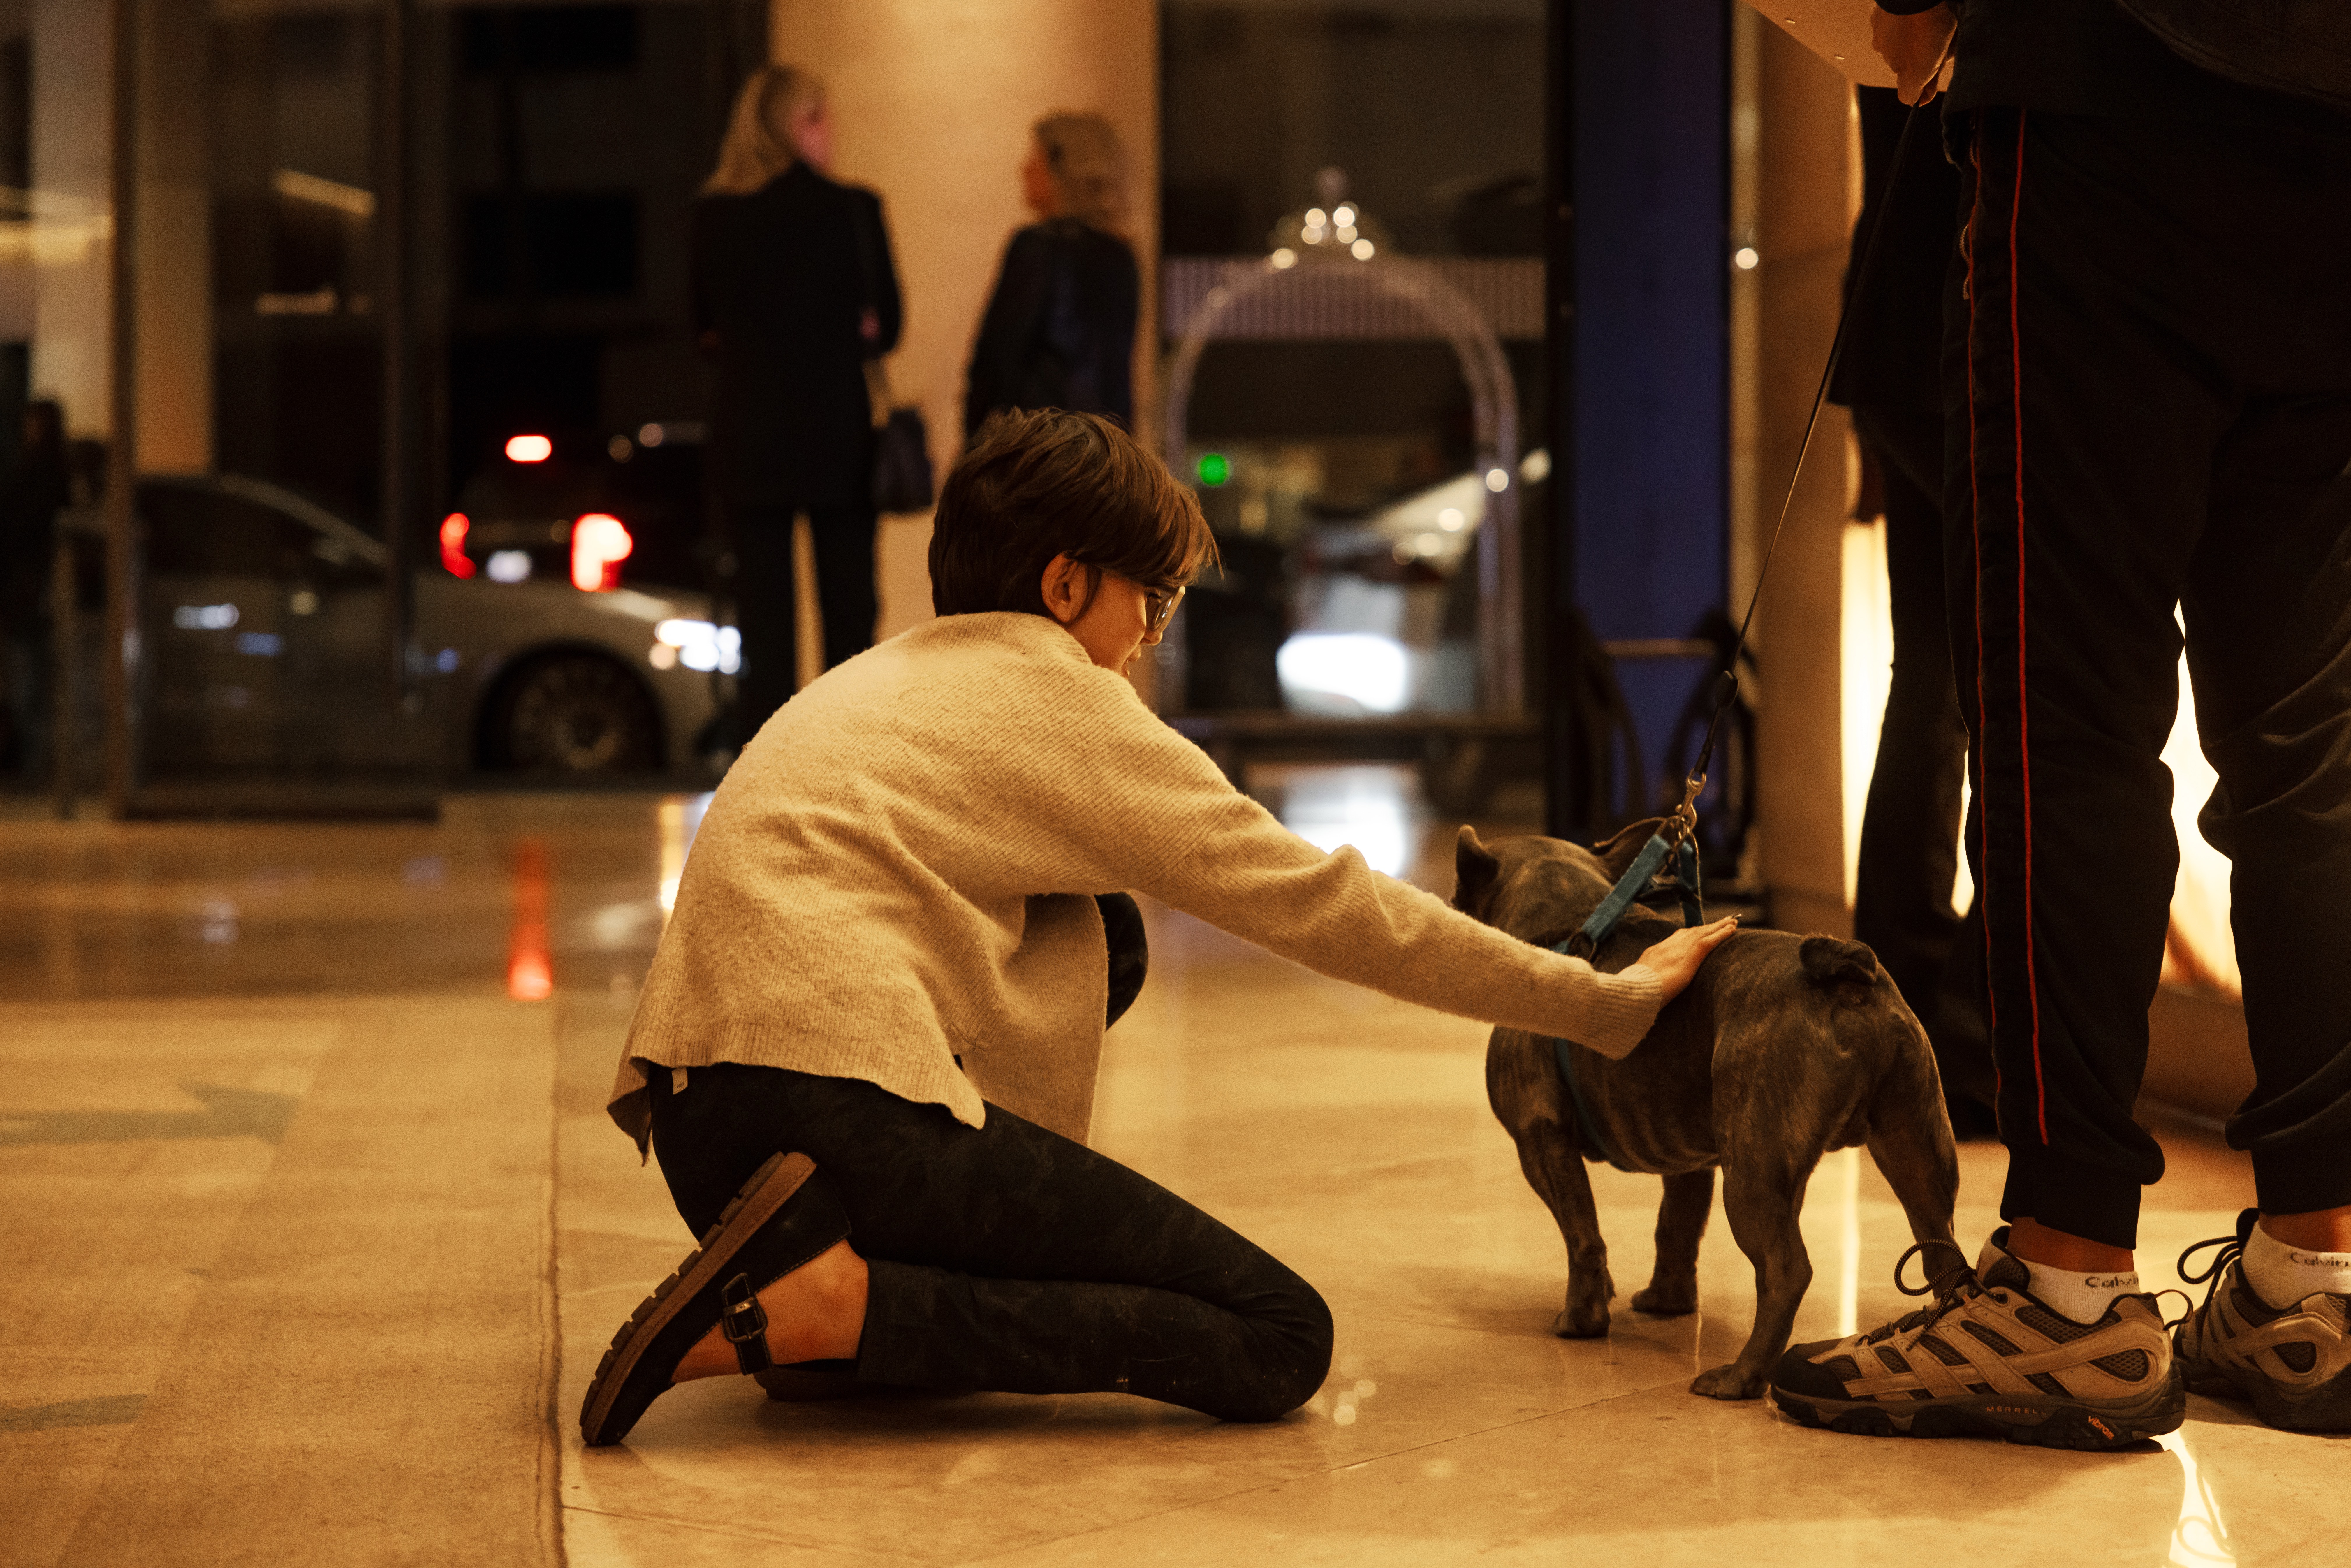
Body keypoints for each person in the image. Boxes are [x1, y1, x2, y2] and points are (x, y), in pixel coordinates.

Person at [578, 409, 1738, 1446]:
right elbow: (1333, 904)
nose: (1148, 642)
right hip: (836, 1103)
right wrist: (1606, 1000)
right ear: (1068, 584)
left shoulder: (883, 675)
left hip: (707, 1130)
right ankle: (830, 1300)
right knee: (1275, 1332)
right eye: (1154, 602)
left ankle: (833, 1294)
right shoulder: (1053, 696)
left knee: (1104, 932)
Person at [1771, 1, 2351, 1444]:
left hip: (2111, 93)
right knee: (2308, 747)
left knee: (2060, 717)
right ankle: (2311, 1278)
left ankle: (2062, 1287)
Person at [1829, 86, 1994, 1138]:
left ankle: (1869, 1038)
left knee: (1930, 689)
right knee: (2011, 701)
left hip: (1889, 334)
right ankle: (1973, 1053)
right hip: (1969, 339)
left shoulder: (1891, 29)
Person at [694, 64, 902, 737]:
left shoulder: (716, 216)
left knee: (766, 626)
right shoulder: (854, 210)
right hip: (838, 437)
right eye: (821, 117)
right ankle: (848, 761)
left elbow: (702, 327)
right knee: (848, 614)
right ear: (799, 125)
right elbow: (888, 327)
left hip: (751, 435)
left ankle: (768, 764)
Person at [963, 112, 1139, 438]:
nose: (1024, 170)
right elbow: (1117, 376)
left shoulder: (1036, 247)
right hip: (1101, 449)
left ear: (1063, 168)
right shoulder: (1121, 256)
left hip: (1037, 450)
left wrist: (976, 445)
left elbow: (997, 361)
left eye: (1035, 158)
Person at [0, 400, 70, 783]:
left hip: (29, 584)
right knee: (31, 673)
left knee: (29, 673)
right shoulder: (44, 473)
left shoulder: (35, 474)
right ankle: (28, 758)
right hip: (30, 585)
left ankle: (26, 758)